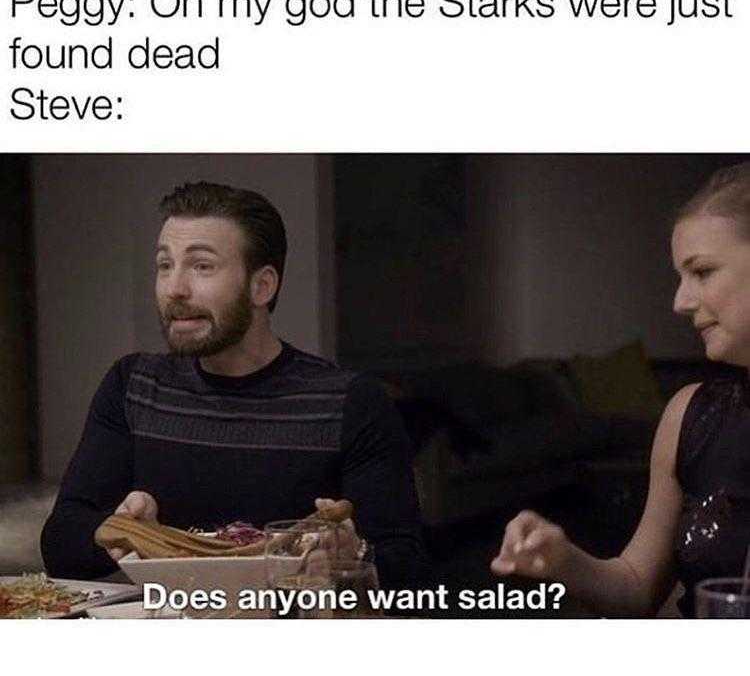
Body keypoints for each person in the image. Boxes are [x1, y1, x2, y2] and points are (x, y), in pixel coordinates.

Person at [41, 181, 428, 591]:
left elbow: (412, 574)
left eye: (201, 266)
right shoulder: (132, 385)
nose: (175, 288)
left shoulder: (350, 401)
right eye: (164, 264)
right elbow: (61, 542)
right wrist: (126, 532)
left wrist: (354, 558)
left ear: (262, 286)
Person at [491, 163, 750, 617]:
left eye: (703, 271)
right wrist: (563, 561)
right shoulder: (690, 415)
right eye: (680, 277)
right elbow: (635, 587)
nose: (680, 301)